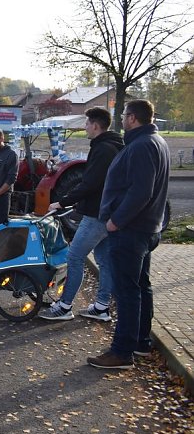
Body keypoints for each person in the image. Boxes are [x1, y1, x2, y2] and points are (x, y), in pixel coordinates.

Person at [87, 100, 170, 370]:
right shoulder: (155, 141)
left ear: (132, 118)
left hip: (131, 230)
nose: (121, 119)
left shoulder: (142, 145)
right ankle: (140, 342)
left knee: (126, 292)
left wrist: (115, 221)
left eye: (123, 115)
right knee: (140, 287)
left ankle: (122, 352)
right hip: (145, 228)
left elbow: (140, 192)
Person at [39, 107, 123, 322]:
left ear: (95, 125)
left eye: (86, 124)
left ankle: (65, 306)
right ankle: (101, 307)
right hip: (106, 213)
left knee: (74, 256)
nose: (84, 127)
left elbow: (90, 183)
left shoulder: (103, 149)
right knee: (104, 260)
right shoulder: (113, 145)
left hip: (97, 215)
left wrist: (61, 202)